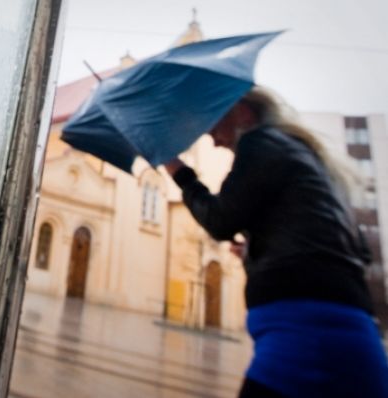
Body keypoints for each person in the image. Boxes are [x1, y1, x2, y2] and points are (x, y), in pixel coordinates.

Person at [164, 86, 388, 398]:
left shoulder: (260, 142)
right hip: (352, 337)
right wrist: (259, 248)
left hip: (305, 343)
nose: (214, 141)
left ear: (242, 112)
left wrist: (177, 170)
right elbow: (356, 249)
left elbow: (220, 220)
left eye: (214, 126)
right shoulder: (308, 156)